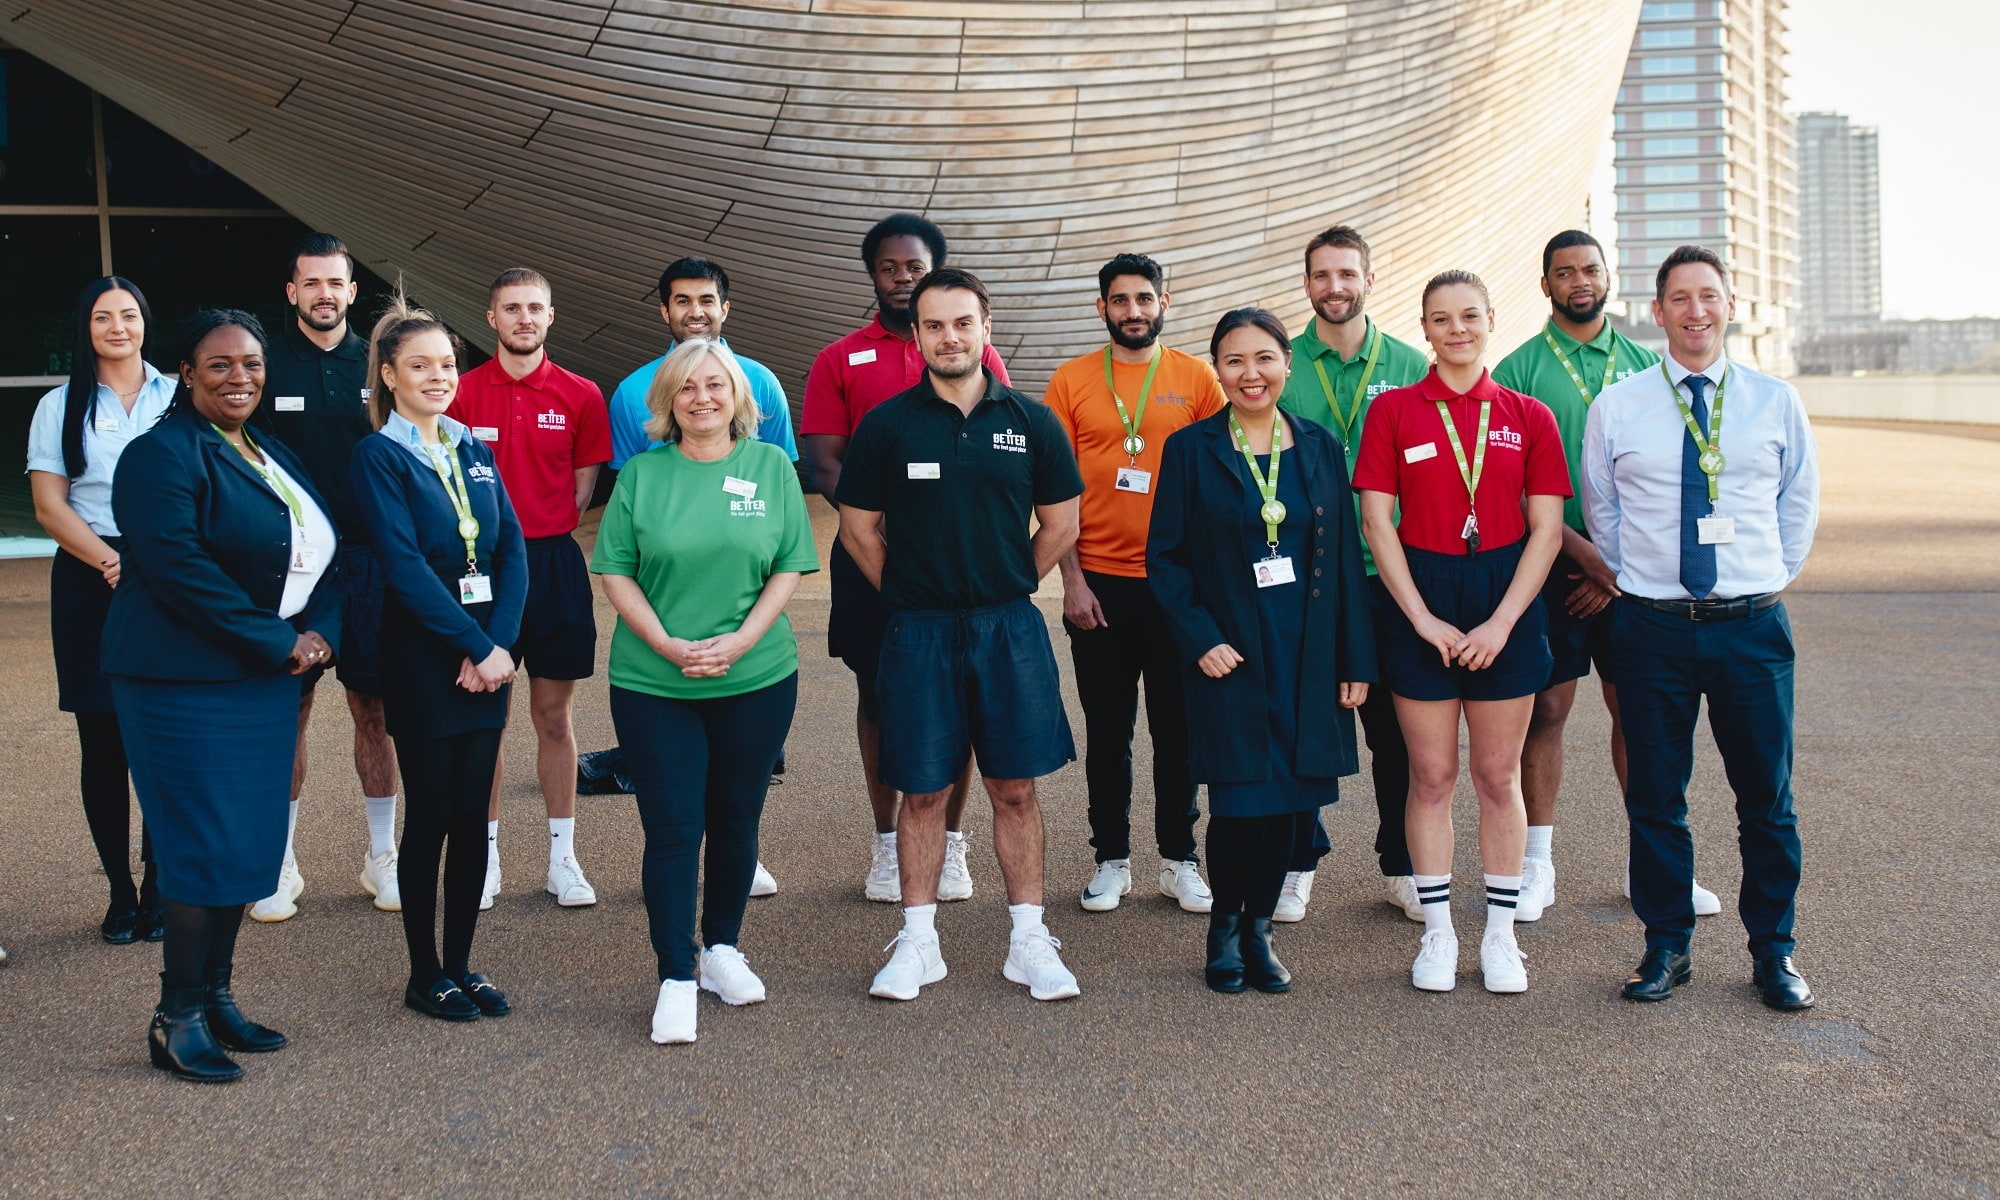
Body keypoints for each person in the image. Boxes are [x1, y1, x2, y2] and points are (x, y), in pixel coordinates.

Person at [103, 309, 340, 1081]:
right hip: (181, 682)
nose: (240, 377)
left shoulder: (267, 449)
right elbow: (180, 571)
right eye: (220, 366)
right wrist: (282, 640)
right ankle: (176, 1018)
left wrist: (322, 633)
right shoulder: (160, 456)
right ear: (186, 373)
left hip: (262, 682)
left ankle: (217, 998)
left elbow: (321, 548)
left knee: (247, 844)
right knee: (200, 846)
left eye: (251, 364)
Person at [836, 268, 1084, 1002]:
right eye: (935, 325)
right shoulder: (888, 425)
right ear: (916, 337)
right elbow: (857, 529)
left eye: (963, 323)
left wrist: (1006, 581)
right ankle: (918, 944)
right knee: (921, 791)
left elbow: (1061, 523)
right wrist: (914, 594)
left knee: (1013, 788)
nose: (950, 337)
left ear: (985, 328)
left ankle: (1029, 941)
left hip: (1007, 627)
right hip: (917, 631)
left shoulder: (1031, 422)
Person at [1583, 245, 1820, 1011]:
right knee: (1655, 795)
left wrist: (1763, 576)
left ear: (1729, 305)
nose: (1695, 311)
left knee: (1767, 799)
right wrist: (1648, 581)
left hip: (1751, 626)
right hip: (1651, 628)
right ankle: (1665, 947)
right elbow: (1603, 512)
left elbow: (1797, 503)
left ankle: (1773, 952)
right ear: (1657, 313)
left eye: (1708, 297)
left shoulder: (1774, 401)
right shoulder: (1618, 405)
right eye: (1679, 299)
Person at [591, 338, 818, 1044]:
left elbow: (788, 564)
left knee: (736, 817)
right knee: (672, 829)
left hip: (755, 675)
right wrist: (664, 642)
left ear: (738, 396)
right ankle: (676, 976)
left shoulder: (772, 467)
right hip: (655, 680)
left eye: (715, 384)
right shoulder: (641, 476)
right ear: (666, 401)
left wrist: (744, 639)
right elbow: (616, 569)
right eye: (686, 387)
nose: (702, 397)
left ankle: (721, 948)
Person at [1492, 231, 1722, 924]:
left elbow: (1665, 482)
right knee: (1548, 714)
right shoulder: (1519, 369)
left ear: (1609, 277)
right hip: (1551, 570)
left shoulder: (1646, 367)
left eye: (1590, 269)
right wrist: (1578, 556)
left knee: (1640, 718)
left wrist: (1613, 567)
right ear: (1546, 286)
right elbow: (1508, 482)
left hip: (1629, 578)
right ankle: (1536, 864)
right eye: (1564, 273)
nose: (1579, 281)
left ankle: (1648, 868)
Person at [1148, 308, 1375, 994]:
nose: (1253, 374)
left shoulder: (1318, 447)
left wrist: (1353, 661)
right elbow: (1165, 560)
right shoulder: (1191, 450)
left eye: (1266, 358)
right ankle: (1224, 926)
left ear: (1287, 364)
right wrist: (1201, 639)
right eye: (1236, 361)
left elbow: (1342, 565)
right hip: (1231, 653)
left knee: (1291, 802)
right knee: (1241, 799)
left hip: (1306, 649)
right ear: (1217, 370)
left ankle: (1261, 930)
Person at [1354, 271, 1569, 995]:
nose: (1457, 329)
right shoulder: (1394, 413)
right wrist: (1420, 617)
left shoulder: (1528, 415)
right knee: (1433, 776)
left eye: (1469, 316)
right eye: (1442, 318)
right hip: (1423, 596)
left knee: (1497, 776)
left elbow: (1546, 530)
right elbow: (1377, 522)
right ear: (1424, 327)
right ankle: (1440, 933)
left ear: (1490, 321)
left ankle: (1502, 937)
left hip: (1504, 596)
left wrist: (1503, 621)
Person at [802, 213, 1010, 905]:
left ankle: (949, 843)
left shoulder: (971, 352)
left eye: (913, 266)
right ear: (874, 275)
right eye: (889, 268)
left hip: (958, 557)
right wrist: (877, 517)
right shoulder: (840, 358)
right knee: (879, 695)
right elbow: (823, 459)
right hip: (871, 555)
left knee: (965, 696)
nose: (902, 276)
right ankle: (889, 841)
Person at [350, 298, 527, 1022]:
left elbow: (511, 548)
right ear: (389, 376)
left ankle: (462, 963)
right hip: (428, 656)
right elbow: (403, 565)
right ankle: (425, 973)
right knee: (431, 816)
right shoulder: (378, 455)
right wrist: (473, 645)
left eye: (448, 364)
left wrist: (502, 646)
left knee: (472, 816)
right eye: (419, 366)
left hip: (487, 659)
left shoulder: (472, 448)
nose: (437, 376)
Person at [597, 256, 795, 899]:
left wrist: (739, 639)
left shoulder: (761, 382)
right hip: (666, 629)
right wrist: (664, 639)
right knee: (675, 814)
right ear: (664, 310)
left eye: (707, 299)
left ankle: (734, 863)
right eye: (682, 300)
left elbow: (777, 506)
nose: (696, 311)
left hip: (748, 648)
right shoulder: (632, 393)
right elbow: (637, 502)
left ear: (725, 307)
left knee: (738, 800)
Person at [1042, 253, 1224, 915]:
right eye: (1120, 301)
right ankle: (1111, 859)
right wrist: (1072, 580)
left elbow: (1218, 481)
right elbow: (1055, 495)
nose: (1133, 311)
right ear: (1102, 309)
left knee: (1179, 732)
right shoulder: (1072, 381)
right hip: (1100, 590)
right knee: (1109, 731)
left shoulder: (1197, 379)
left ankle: (1180, 859)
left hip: (1178, 590)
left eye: (1144, 298)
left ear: (1164, 302)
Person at [1279, 224, 1431, 925]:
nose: (1334, 287)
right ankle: (1298, 860)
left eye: (1346, 274)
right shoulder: (1280, 364)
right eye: (1321, 276)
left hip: (1390, 575)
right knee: (1306, 723)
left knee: (1396, 732)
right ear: (1306, 282)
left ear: (1369, 278)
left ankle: (1401, 862)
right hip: (1307, 577)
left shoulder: (1409, 363)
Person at [248, 233, 402, 921]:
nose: (324, 294)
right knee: (289, 712)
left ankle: (381, 856)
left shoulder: (378, 362)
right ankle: (277, 863)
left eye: (335, 283)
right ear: (292, 292)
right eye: (311, 283)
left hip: (370, 565)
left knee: (374, 713)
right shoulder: (264, 364)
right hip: (294, 570)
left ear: (349, 289)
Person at [451, 268, 610, 911]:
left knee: (553, 717)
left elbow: (582, 488)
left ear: (551, 318)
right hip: (480, 568)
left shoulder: (580, 394)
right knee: (486, 717)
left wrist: (537, 531)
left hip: (552, 564)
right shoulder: (460, 394)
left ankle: (561, 858)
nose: (523, 318)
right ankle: (485, 857)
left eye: (534, 309)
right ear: (491, 318)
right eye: (511, 308)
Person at [26, 276, 175, 945]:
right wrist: (110, 560)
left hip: (170, 572)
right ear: (85, 329)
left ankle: (161, 884)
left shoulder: (178, 395)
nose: (118, 327)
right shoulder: (60, 406)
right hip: (92, 576)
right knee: (104, 740)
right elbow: (50, 506)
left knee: (164, 741)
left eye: (129, 315)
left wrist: (159, 559)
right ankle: (119, 890)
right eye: (102, 317)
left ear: (145, 322)